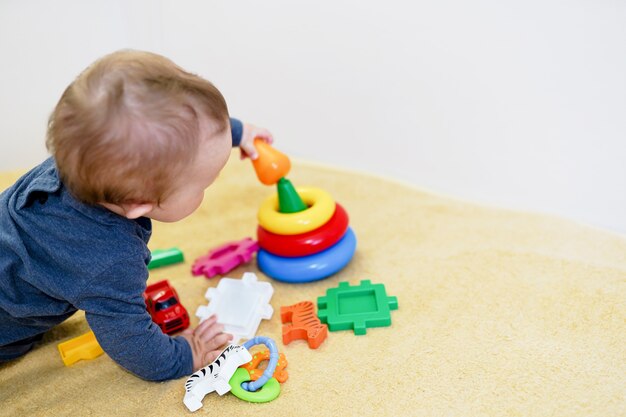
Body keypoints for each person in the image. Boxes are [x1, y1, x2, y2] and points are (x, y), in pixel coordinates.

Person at [0, 50, 273, 381]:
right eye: (205, 182)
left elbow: (181, 132)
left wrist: (236, 131)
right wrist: (185, 355)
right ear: (139, 205)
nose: (211, 184)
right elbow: (134, 344)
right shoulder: (108, 261)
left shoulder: (85, 158)